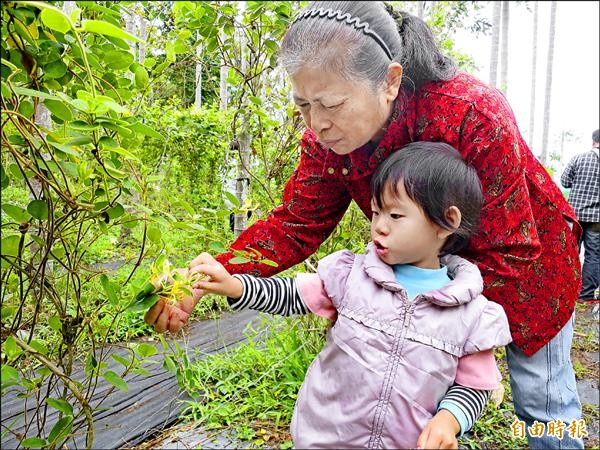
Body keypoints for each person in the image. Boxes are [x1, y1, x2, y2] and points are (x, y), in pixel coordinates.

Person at [145, 2, 584, 448]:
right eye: (303, 106)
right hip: (422, 276)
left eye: (331, 104)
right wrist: (208, 276)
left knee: (543, 406)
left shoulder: (470, 114)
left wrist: (438, 323)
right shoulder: (325, 142)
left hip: (530, 271)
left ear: (389, 82)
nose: (317, 124)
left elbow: (512, 248)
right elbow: (296, 223)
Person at [183, 142, 512, 449]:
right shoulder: (351, 276)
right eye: (376, 212)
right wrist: (237, 285)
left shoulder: (472, 314)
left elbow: (475, 384)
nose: (380, 226)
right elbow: (292, 295)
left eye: (395, 215)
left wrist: (448, 420)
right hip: (325, 439)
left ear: (446, 222)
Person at [561, 129, 600, 303]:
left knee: (571, 252)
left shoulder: (579, 158)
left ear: (593, 141)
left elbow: (564, 181)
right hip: (597, 218)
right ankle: (586, 296)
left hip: (575, 215)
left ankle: (566, 291)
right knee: (593, 255)